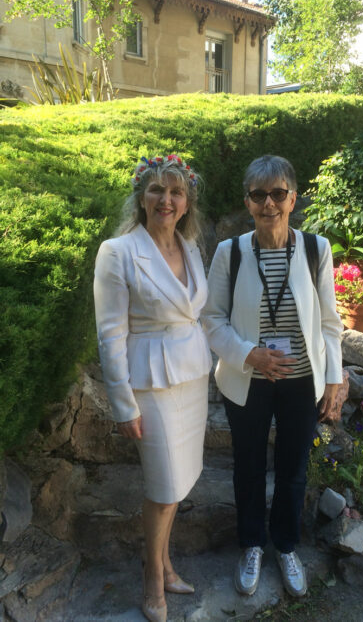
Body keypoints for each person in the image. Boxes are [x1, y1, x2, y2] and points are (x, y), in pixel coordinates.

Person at [202, 155, 343, 598]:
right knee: (247, 466)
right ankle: (251, 545)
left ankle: (284, 546)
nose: (270, 204)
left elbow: (330, 322)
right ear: (248, 202)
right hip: (248, 379)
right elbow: (211, 319)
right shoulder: (232, 252)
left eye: (278, 194)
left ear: (293, 198)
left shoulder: (316, 249)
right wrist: (250, 355)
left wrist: (334, 378)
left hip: (302, 381)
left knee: (293, 468)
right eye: (260, 195)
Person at [94, 154, 212, 622]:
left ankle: (165, 566)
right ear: (141, 197)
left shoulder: (192, 248)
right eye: (157, 190)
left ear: (187, 203)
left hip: (192, 377)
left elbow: (196, 312)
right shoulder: (118, 252)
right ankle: (151, 578)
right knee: (163, 489)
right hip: (151, 386)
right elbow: (110, 335)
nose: (166, 200)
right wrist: (123, 405)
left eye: (176, 192)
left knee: (178, 484)